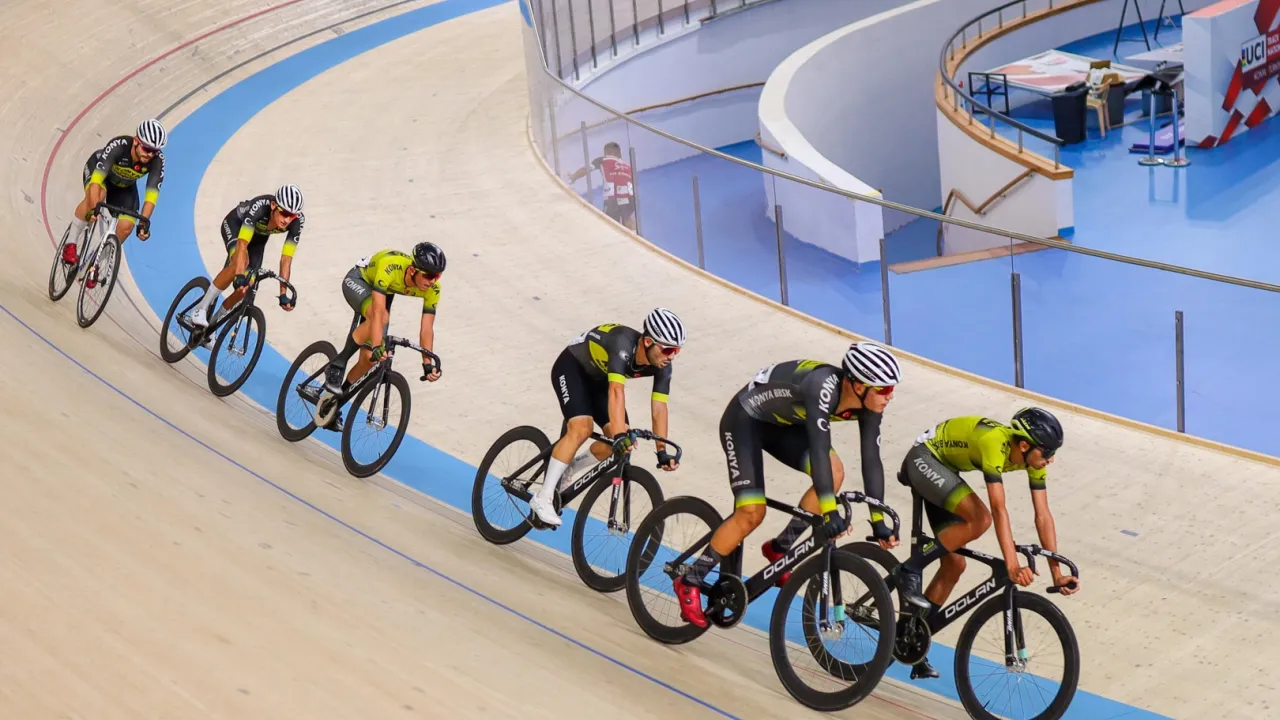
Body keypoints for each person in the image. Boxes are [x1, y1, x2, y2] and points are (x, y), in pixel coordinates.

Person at [674, 342, 903, 629]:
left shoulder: (871, 403)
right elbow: (819, 450)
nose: (890, 395)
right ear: (858, 385)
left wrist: (878, 520)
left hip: (784, 425)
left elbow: (871, 459)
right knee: (752, 513)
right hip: (745, 421)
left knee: (835, 473)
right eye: (884, 389)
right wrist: (830, 511)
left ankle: (780, 547)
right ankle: (691, 578)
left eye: (892, 388)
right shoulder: (821, 387)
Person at [893, 408, 1079, 680]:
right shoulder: (994, 442)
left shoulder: (1034, 460)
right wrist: (1012, 565)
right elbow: (998, 509)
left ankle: (910, 639)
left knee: (954, 565)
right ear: (1024, 445)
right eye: (1047, 452)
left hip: (946, 470)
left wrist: (1056, 573)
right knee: (980, 519)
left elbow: (1043, 515)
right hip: (925, 458)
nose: (1051, 459)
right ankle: (909, 569)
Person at [527, 308, 685, 527]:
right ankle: (543, 497)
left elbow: (659, 408)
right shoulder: (622, 344)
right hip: (572, 368)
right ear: (648, 342)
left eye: (677, 350)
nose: (672, 356)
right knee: (582, 428)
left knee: (622, 443)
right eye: (668, 349)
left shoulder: (663, 366)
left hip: (600, 381)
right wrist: (619, 434)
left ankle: (568, 470)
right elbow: (616, 391)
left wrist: (661, 451)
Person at [312, 242, 446, 431]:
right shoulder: (391, 266)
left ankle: (332, 405)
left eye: (437, 276)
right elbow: (377, 311)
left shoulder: (433, 289)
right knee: (380, 318)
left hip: (384, 293)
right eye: (429, 276)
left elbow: (426, 329)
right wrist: (377, 345)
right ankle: (337, 365)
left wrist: (427, 363)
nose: (432, 281)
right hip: (359, 280)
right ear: (412, 271)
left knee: (369, 360)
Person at [189, 184, 305, 329]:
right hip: (236, 225)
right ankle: (201, 308)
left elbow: (286, 259)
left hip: (258, 239)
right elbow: (242, 243)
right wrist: (239, 273)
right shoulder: (260, 206)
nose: (287, 220)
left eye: (292, 216)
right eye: (284, 213)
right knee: (239, 264)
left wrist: (283, 293)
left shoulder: (297, 222)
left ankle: (212, 326)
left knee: (245, 288)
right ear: (273, 205)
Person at [61, 119, 167, 276]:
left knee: (126, 226)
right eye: (147, 149)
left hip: (123, 186)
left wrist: (143, 224)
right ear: (136, 141)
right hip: (100, 175)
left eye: (154, 151)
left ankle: (94, 265)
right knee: (97, 197)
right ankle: (70, 244)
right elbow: (96, 181)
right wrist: (93, 207)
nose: (150, 154)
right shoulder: (119, 146)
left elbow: (151, 198)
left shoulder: (157, 161)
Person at [567, 142, 636, 232]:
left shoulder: (602, 160)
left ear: (606, 152)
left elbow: (585, 169)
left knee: (609, 225)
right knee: (629, 222)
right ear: (619, 154)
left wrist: (573, 177)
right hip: (630, 198)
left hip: (612, 199)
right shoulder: (628, 166)